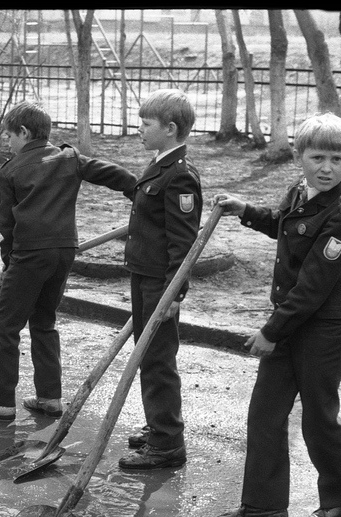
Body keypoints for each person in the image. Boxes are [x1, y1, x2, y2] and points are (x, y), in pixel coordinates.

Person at [213, 112, 341, 517]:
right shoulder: (300, 193)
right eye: (318, 157)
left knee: (319, 417)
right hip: (291, 321)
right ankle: (263, 508)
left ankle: (340, 506)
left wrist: (270, 333)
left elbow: (313, 288)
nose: (327, 168)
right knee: (265, 413)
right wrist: (246, 211)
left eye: (337, 159)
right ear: (299, 157)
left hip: (323, 329)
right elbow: (284, 227)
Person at [0, 101, 136, 419]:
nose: (8, 143)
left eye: (10, 136)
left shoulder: (10, 171)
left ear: (24, 133)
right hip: (65, 252)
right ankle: (50, 398)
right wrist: (140, 193)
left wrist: (7, 265)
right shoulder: (69, 157)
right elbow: (112, 174)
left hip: (29, 256)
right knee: (44, 322)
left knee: (5, 326)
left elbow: (7, 227)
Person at [116, 88, 203, 470]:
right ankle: (159, 426)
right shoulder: (160, 164)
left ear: (170, 128)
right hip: (144, 274)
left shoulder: (180, 176)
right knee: (147, 354)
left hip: (159, 283)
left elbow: (183, 243)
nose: (139, 128)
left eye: (145, 123)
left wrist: (174, 294)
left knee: (157, 359)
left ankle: (168, 444)